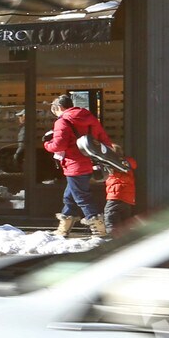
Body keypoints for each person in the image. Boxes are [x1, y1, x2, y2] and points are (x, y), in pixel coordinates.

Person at [44, 93, 112, 239]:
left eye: (54, 111)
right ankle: (64, 228)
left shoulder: (62, 121)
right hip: (90, 162)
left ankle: (99, 229)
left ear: (59, 107)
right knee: (69, 197)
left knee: (82, 197)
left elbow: (59, 145)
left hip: (74, 165)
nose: (55, 114)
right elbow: (104, 139)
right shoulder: (89, 117)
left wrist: (47, 145)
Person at [105, 150, 139, 233]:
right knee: (124, 216)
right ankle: (125, 234)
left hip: (116, 194)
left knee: (110, 213)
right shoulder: (126, 163)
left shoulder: (113, 163)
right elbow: (132, 164)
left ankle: (113, 233)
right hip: (128, 197)